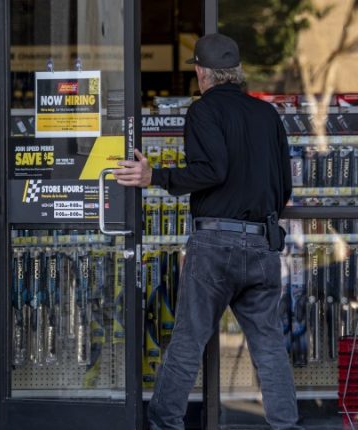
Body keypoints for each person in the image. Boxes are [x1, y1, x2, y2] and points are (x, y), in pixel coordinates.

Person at [114, 33, 302, 430]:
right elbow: (285, 186)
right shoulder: (268, 116)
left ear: (202, 73)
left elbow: (211, 171)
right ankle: (286, 425)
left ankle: (165, 422)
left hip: (215, 244)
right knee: (268, 345)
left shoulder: (203, 112)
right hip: (263, 243)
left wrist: (156, 175)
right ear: (235, 73)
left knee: (187, 342)